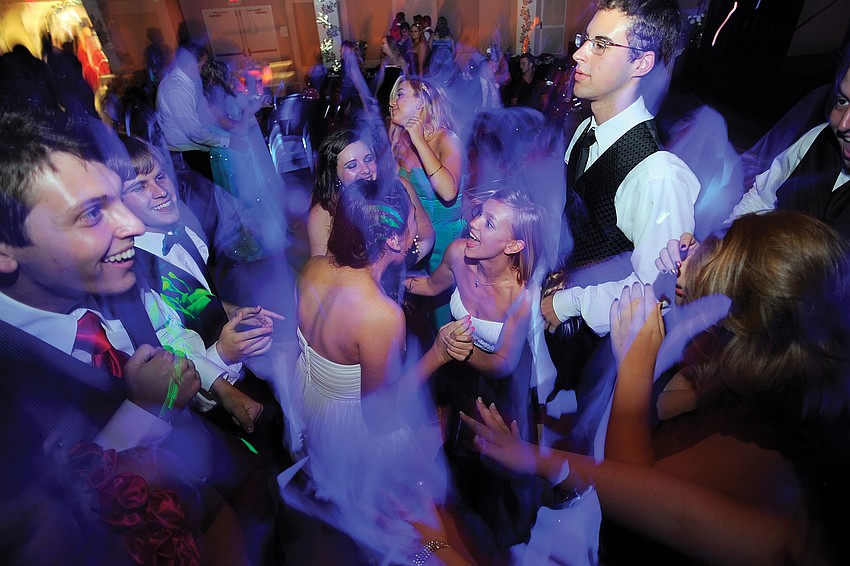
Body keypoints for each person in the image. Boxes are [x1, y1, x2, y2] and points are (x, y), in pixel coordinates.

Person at [463, 210, 850, 565]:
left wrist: (633, 365)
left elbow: (633, 503)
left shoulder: (764, 451)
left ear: (739, 329)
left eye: (721, 249)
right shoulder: (721, 366)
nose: (694, 254)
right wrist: (531, 457)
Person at [0, 107, 252, 561]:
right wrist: (142, 408)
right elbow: (51, 534)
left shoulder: (113, 276)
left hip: (211, 485)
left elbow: (171, 335)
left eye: (118, 198)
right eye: (92, 214)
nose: (133, 225)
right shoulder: (11, 381)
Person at [281, 178, 475, 564]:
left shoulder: (315, 267)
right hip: (357, 429)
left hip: (317, 403)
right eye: (410, 222)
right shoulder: (379, 315)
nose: (415, 229)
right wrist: (436, 354)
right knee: (401, 522)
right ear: (392, 240)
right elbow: (379, 413)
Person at [540, 0, 699, 450]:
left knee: (588, 459)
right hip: (570, 339)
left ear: (642, 63)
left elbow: (657, 293)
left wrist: (567, 303)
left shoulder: (656, 174)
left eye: (601, 44)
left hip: (606, 357)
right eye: (584, 40)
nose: (578, 54)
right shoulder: (585, 131)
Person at [404, 185, 554, 552]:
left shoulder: (523, 292)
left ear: (514, 246)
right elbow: (428, 285)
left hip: (502, 382)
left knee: (496, 462)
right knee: (458, 453)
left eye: (488, 223)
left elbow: (503, 363)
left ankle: (503, 545)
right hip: (458, 371)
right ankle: (461, 533)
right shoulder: (458, 254)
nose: (473, 225)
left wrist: (457, 349)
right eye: (478, 215)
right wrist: (384, 281)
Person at [726, 46, 850, 239]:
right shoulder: (817, 140)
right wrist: (724, 250)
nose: (843, 124)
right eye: (842, 101)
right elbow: (762, 199)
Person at [389, 75, 466, 327]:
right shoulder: (399, 140)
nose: (392, 102)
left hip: (445, 240)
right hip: (413, 234)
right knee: (416, 312)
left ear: (421, 101)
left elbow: (447, 192)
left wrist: (419, 139)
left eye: (399, 94)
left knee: (444, 312)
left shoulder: (448, 139)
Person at [199, 58, 287, 258]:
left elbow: (242, 116)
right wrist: (250, 110)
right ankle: (253, 240)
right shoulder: (211, 106)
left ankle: (268, 233)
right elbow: (239, 128)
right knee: (244, 196)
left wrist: (256, 104)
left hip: (246, 150)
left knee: (259, 190)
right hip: (232, 154)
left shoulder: (228, 93)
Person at [307, 128, 434, 260]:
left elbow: (426, 232)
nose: (365, 170)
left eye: (368, 159)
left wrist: (407, 259)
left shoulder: (399, 187)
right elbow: (320, 270)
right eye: (352, 166)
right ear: (334, 175)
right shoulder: (323, 213)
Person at [156, 42, 230, 182]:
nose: (206, 68)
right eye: (203, 64)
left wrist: (226, 125)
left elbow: (205, 114)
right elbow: (193, 132)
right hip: (187, 156)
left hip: (197, 150)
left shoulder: (190, 82)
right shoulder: (176, 89)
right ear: (191, 63)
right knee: (206, 196)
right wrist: (227, 141)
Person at [375, 35, 410, 119]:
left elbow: (407, 78)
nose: (381, 45)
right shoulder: (384, 60)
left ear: (389, 44)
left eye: (383, 43)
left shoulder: (400, 60)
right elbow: (380, 78)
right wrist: (375, 92)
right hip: (384, 93)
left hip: (395, 93)